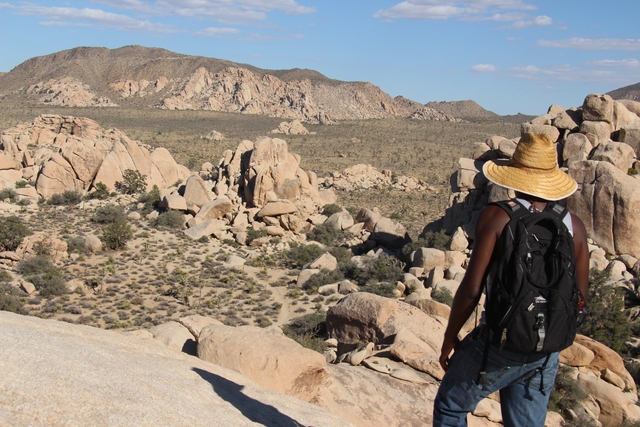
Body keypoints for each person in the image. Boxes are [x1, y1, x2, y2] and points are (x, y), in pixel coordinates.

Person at [432, 133, 590, 427]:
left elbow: (471, 289)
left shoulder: (497, 216)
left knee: (450, 407)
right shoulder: (574, 226)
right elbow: (580, 296)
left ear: (515, 175)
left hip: (499, 344)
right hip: (546, 350)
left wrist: (450, 337)